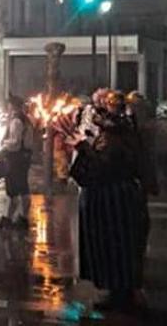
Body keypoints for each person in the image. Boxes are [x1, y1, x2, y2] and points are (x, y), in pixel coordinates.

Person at [67, 93, 148, 312]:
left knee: (115, 246)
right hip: (121, 197)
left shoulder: (115, 135)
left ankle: (120, 294)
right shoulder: (123, 131)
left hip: (114, 200)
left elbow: (104, 165)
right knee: (119, 247)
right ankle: (122, 290)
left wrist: (83, 148)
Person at [0, 95, 32, 230]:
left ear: (13, 106)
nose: (7, 107)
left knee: (14, 190)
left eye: (9, 105)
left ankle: (14, 219)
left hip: (16, 159)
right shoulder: (24, 119)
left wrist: (3, 144)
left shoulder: (16, 121)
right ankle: (17, 218)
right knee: (22, 188)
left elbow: (15, 143)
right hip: (23, 158)